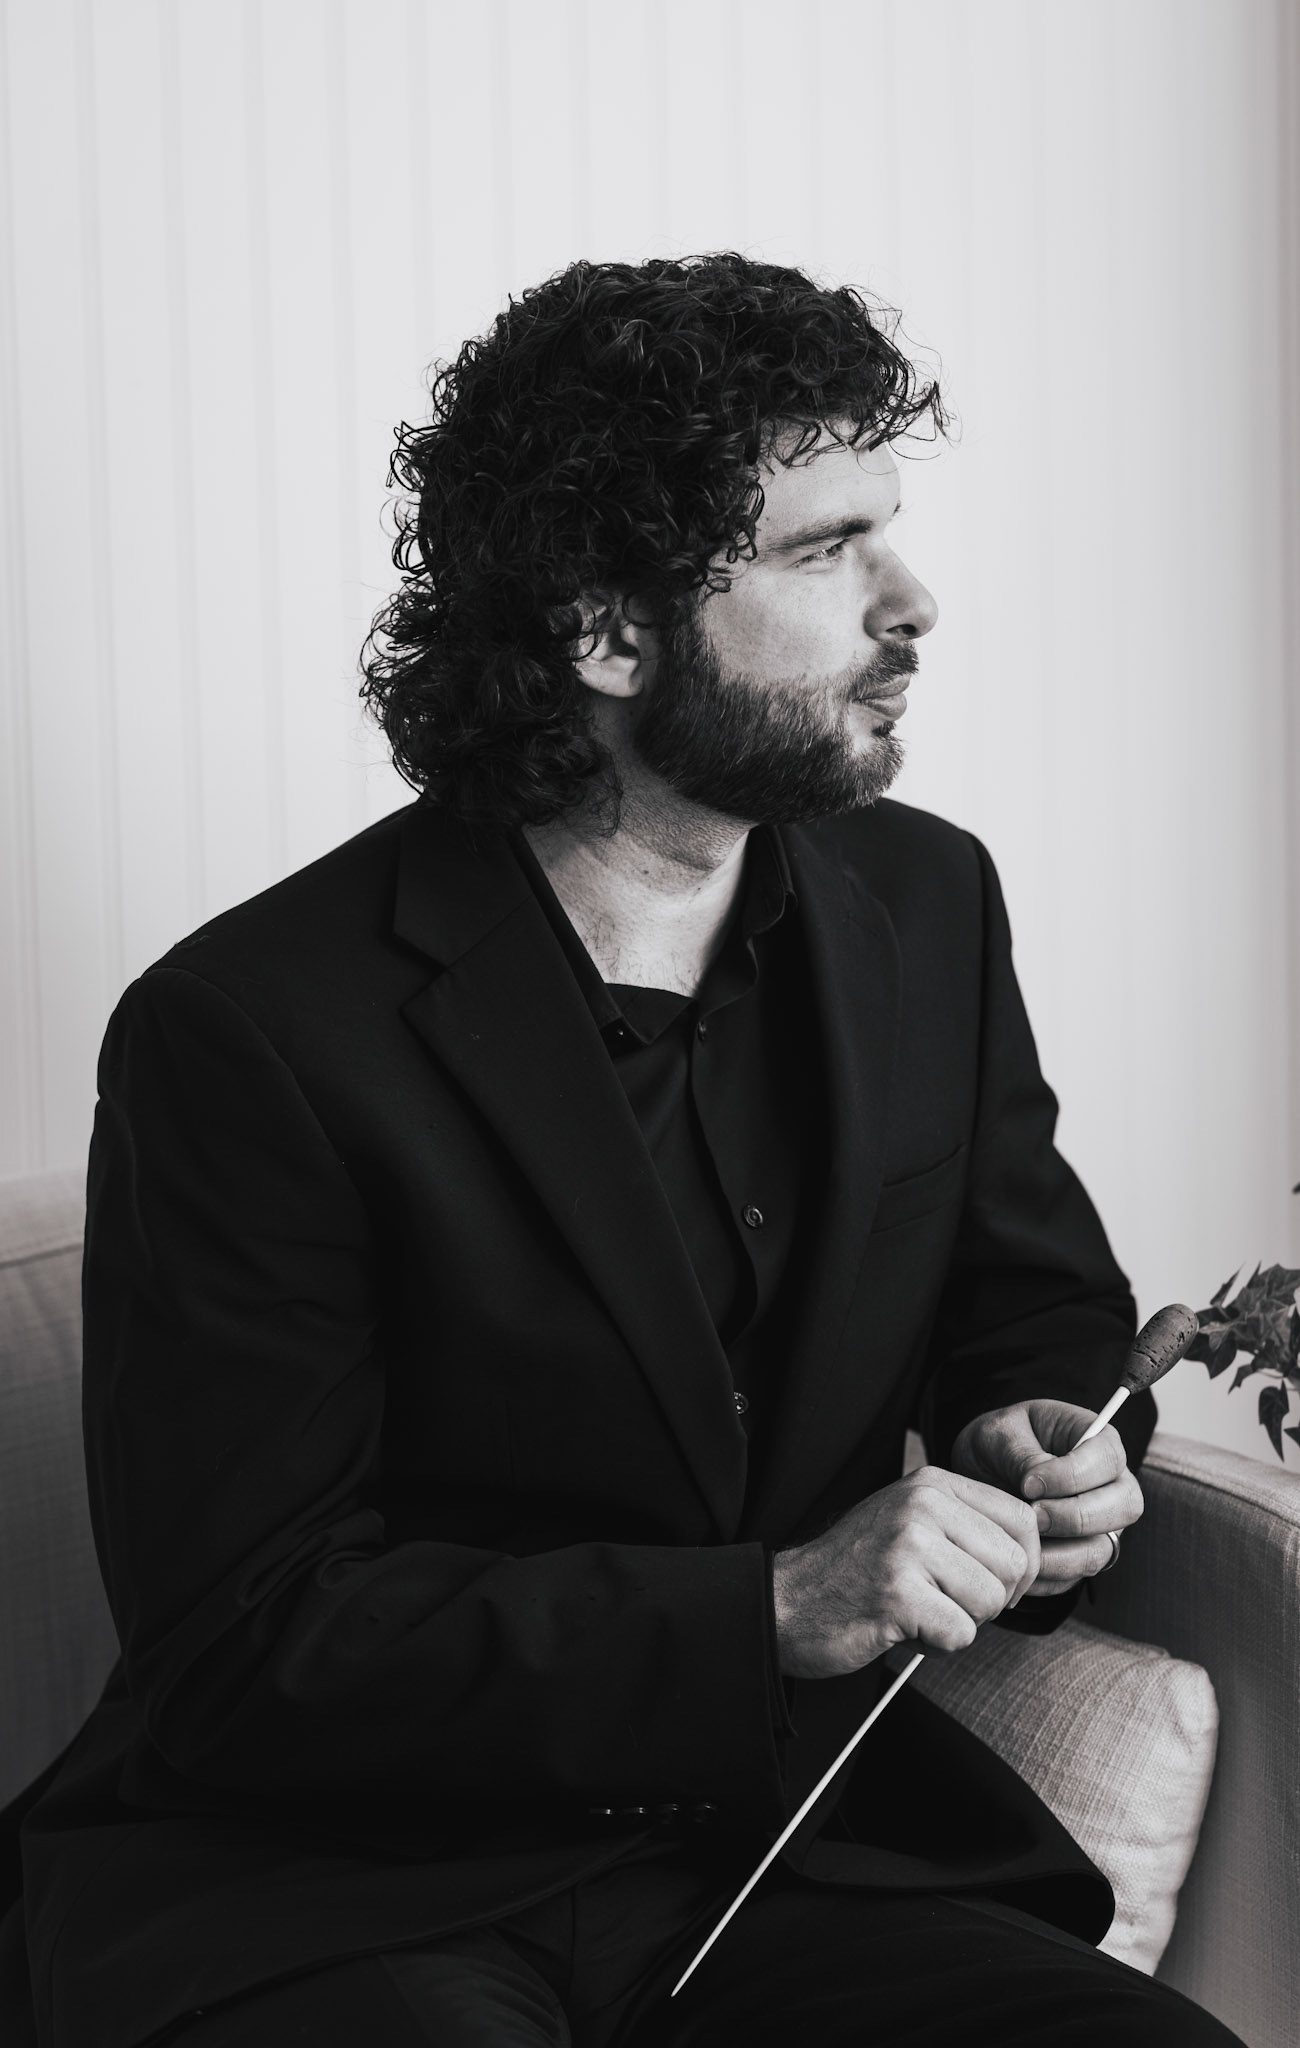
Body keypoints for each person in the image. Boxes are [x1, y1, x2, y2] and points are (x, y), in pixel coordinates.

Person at [6, 254, 1242, 2046]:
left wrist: (1036, 1439)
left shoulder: (929, 903)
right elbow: (246, 1649)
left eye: (887, 535)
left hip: (785, 1858)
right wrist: (771, 1612)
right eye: (826, 552)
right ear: (608, 633)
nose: (912, 603)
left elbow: (1025, 1306)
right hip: (335, 1888)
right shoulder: (247, 1030)